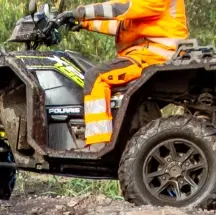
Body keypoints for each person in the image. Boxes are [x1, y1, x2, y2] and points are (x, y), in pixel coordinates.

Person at [67, 0, 189, 147]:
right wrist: (86, 23)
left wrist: (81, 12)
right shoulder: (140, 11)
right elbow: (122, 26)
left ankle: (99, 143)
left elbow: (121, 8)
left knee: (97, 77)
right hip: (145, 54)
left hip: (156, 56)